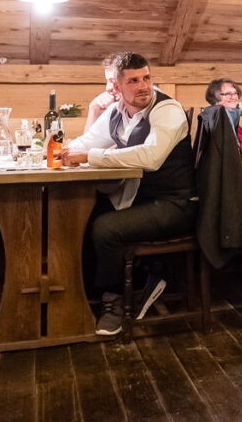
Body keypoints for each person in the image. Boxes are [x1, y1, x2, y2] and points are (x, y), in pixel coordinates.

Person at [60, 52, 196, 336]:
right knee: (80, 215)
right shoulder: (116, 112)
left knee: (105, 228)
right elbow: (87, 141)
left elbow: (151, 157)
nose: (143, 86)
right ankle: (80, 294)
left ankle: (115, 301)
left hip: (173, 204)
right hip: (138, 198)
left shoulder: (167, 110)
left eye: (146, 78)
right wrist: (62, 151)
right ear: (117, 86)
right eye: (133, 81)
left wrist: (89, 156)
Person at [205, 78, 242, 149]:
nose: (233, 97)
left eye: (235, 93)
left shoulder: (230, 118)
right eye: (228, 94)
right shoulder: (216, 122)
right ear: (215, 97)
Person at [85, 54, 121, 131]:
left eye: (112, 81)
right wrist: (94, 110)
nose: (108, 88)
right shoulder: (113, 107)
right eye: (107, 81)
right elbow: (88, 138)